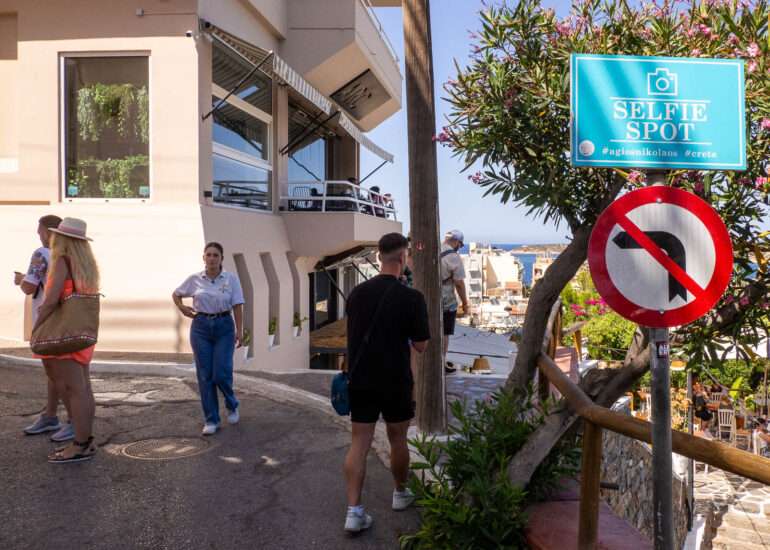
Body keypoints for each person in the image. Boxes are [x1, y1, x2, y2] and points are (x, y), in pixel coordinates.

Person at [343, 233, 430, 533]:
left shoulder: (355, 294)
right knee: (397, 440)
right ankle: (399, 493)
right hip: (395, 379)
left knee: (359, 443)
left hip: (361, 378)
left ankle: (354, 512)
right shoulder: (412, 298)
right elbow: (421, 345)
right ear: (403, 258)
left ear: (379, 257)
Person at [33, 217, 99, 464]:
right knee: (83, 388)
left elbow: (50, 301)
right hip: (81, 332)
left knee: (73, 390)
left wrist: (38, 326)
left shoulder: (62, 261)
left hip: (64, 333)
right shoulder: (87, 264)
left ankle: (80, 445)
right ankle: (86, 441)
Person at [173, 242, 244, 436]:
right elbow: (176, 294)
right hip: (201, 327)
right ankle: (211, 419)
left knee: (220, 372)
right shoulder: (195, 279)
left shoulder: (230, 279)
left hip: (224, 326)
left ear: (221, 259)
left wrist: (240, 330)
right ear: (203, 258)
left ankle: (232, 404)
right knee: (204, 375)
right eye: (209, 255)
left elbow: (238, 304)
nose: (212, 258)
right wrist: (182, 308)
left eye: (216, 255)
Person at [15, 215, 75, 443]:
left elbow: (30, 287)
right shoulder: (74, 255)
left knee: (55, 371)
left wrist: (21, 280)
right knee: (57, 370)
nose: (38, 235)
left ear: (48, 232)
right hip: (67, 318)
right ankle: (50, 414)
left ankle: (72, 420)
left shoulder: (41, 254)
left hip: (47, 318)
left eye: (39, 231)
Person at [440, 229, 469, 374]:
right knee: (444, 332)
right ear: (457, 242)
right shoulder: (453, 257)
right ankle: (441, 362)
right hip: (445, 299)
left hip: (425, 297)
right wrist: (465, 302)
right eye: (460, 244)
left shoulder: (434, 249)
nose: (459, 247)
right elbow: (459, 283)